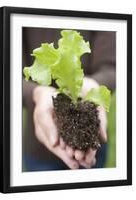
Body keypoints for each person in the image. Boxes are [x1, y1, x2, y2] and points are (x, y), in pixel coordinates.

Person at [22, 28, 116, 171]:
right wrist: (35, 93)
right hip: (39, 152)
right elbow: (5, 75)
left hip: (94, 145)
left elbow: (111, 66)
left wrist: (94, 85)